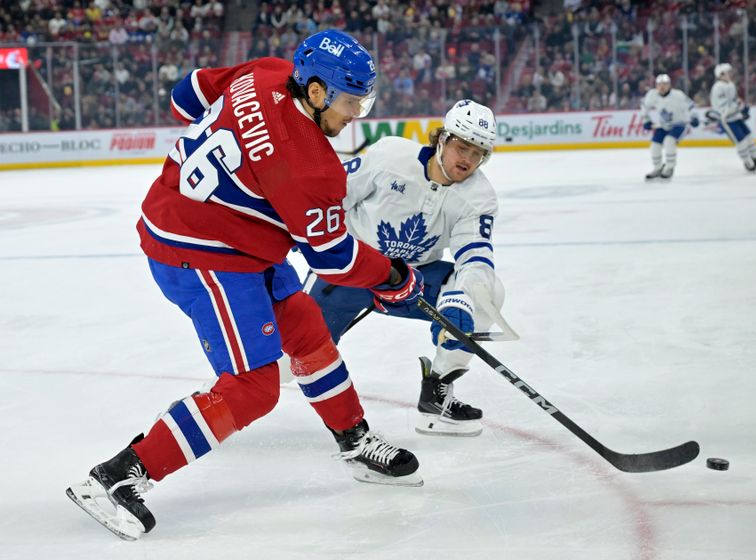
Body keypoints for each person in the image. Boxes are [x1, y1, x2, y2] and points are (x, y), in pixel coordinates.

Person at [65, 29, 425, 541]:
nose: (355, 115)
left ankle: (353, 439)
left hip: (213, 226)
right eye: (350, 102)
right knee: (253, 387)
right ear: (317, 91)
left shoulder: (265, 71)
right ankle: (117, 476)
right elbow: (335, 258)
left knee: (304, 329)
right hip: (201, 252)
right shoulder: (312, 168)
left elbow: (185, 96)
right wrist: (394, 278)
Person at [306, 99, 505, 437]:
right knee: (291, 355)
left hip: (413, 281)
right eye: (462, 147)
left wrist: (461, 301)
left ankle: (437, 393)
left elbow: (475, 259)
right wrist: (325, 252)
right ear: (442, 139)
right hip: (351, 268)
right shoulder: (389, 157)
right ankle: (233, 391)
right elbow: (333, 196)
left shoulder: (479, 196)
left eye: (478, 153)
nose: (467, 160)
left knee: (487, 295)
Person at [709, 63, 756, 172]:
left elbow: (735, 100)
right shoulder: (717, 88)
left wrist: (743, 107)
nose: (730, 74)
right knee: (741, 141)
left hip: (736, 117)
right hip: (727, 120)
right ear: (721, 74)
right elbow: (723, 108)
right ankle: (748, 163)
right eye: (727, 72)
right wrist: (738, 107)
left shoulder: (731, 85)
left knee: (749, 137)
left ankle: (755, 159)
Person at [640, 74, 699, 181]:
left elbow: (691, 106)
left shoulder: (678, 95)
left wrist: (694, 117)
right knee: (654, 145)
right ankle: (657, 168)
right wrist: (646, 120)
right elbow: (644, 107)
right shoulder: (652, 95)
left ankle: (670, 167)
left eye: (665, 84)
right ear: (656, 85)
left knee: (669, 141)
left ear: (669, 85)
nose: (662, 87)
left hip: (679, 124)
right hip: (663, 125)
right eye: (659, 84)